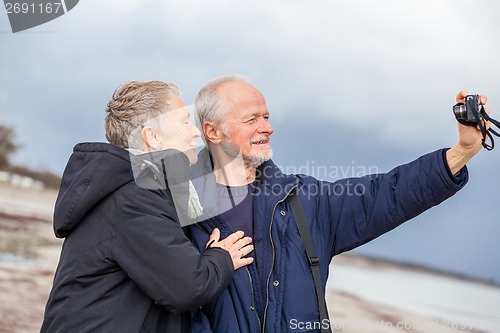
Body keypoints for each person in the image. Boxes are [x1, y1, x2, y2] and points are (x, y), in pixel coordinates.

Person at [188, 75, 490, 332]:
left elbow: (385, 194)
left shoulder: (303, 201)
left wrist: (461, 152)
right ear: (213, 131)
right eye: (250, 119)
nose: (267, 128)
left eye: (266, 117)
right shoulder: (176, 209)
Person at [40, 80, 255, 333]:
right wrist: (222, 257)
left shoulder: (137, 187)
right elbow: (187, 286)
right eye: (185, 122)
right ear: (152, 136)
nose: (196, 132)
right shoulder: (133, 196)